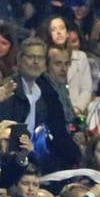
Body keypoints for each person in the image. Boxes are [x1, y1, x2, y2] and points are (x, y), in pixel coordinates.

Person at [0, 37, 80, 171]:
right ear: (20, 60)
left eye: (40, 58)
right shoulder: (9, 89)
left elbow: (51, 134)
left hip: (36, 159)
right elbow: (7, 134)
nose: (36, 62)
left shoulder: (45, 93)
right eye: (31, 57)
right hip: (11, 162)